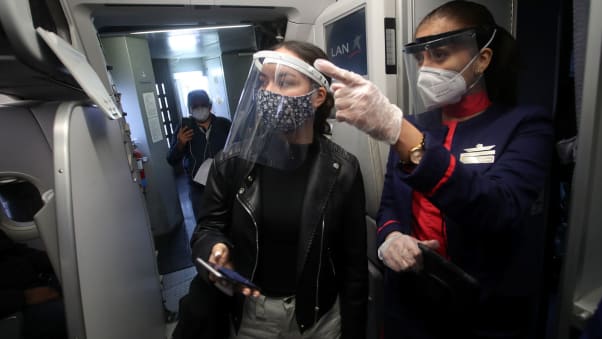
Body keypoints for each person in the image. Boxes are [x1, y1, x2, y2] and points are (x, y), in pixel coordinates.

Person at [314, 1, 554, 338]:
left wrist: (400, 133)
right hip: (410, 307)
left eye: (439, 55)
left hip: (483, 312)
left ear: (481, 59)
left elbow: (500, 209)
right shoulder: (415, 124)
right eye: (420, 58)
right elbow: (391, 207)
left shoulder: (524, 125)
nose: (426, 68)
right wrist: (391, 237)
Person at [173, 40, 368, 339]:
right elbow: (207, 227)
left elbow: (353, 265)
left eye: (285, 81)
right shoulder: (232, 163)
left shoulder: (343, 169)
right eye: (264, 81)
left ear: (316, 96)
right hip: (254, 315)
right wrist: (214, 247)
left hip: (320, 316)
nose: (268, 92)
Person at [167, 89, 231, 221]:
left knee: (231, 221)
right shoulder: (183, 129)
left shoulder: (224, 124)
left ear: (210, 106)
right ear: (190, 109)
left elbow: (237, 148)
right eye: (195, 106)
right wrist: (180, 144)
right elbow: (171, 159)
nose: (200, 109)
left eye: (203, 105)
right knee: (205, 225)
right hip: (199, 190)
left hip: (225, 185)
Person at [0, 229, 67, 339]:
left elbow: (12, 250)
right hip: (14, 307)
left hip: (33, 280)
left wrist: (54, 257)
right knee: (73, 313)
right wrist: (25, 297)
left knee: (82, 285)